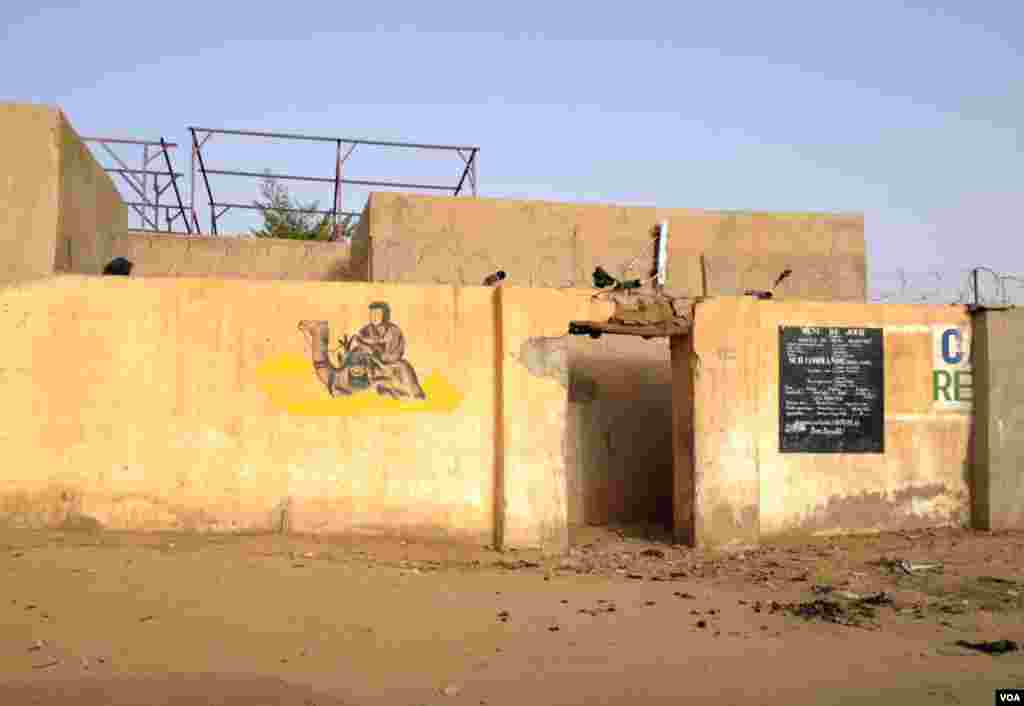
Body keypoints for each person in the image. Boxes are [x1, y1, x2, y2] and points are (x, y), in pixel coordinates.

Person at [340, 302, 426, 399]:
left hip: (389, 363)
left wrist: (373, 351)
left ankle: (413, 394)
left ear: (385, 316)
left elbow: (393, 354)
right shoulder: (366, 329)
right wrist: (354, 349)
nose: (374, 317)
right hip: (369, 363)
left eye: (377, 314)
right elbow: (359, 344)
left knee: (403, 368)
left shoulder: (393, 330)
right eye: (372, 314)